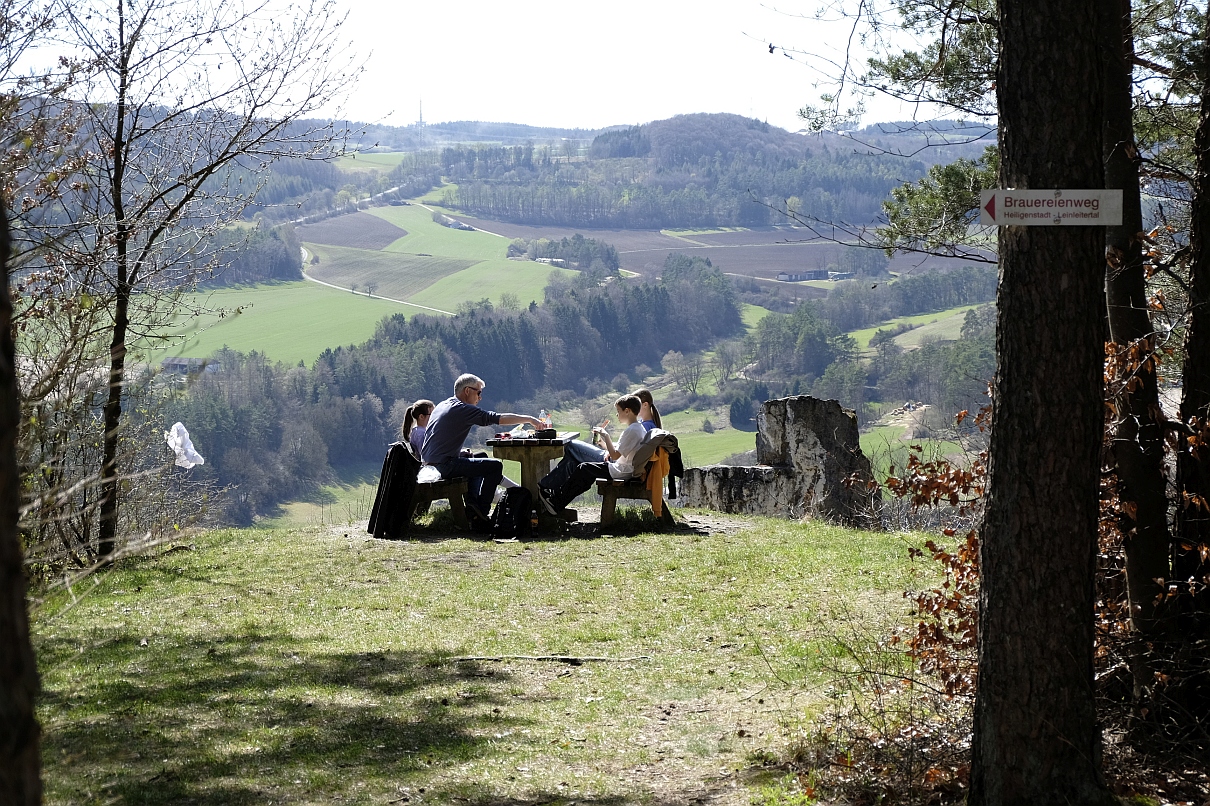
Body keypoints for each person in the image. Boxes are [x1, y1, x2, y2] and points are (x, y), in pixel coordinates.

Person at [421, 374, 543, 524]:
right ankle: (482, 513)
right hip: (442, 466)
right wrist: (529, 419)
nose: (480, 397)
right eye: (478, 392)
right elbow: (496, 418)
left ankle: (473, 506)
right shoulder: (462, 409)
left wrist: (459, 452)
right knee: (495, 466)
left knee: (480, 456)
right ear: (467, 391)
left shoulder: (443, 405)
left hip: (431, 463)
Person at [537, 394, 645, 514]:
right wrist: (605, 445)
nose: (617, 414)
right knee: (578, 465)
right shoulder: (637, 428)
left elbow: (615, 455)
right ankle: (554, 498)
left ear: (627, 411)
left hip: (620, 471)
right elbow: (621, 451)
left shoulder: (632, 431)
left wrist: (606, 435)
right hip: (622, 468)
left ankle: (555, 499)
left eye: (618, 411)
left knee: (583, 468)